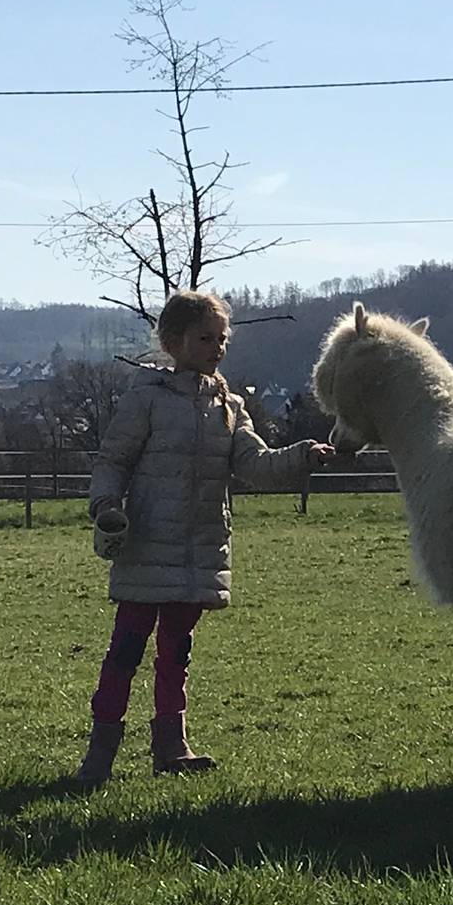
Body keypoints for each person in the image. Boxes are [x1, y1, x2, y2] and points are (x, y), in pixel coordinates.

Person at [78, 290, 331, 784]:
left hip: (199, 553)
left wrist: (303, 455)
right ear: (174, 341)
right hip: (147, 548)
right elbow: (114, 460)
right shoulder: (146, 399)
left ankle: (172, 745)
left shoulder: (229, 407)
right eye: (205, 338)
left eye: (222, 339)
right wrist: (106, 505)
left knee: (177, 651)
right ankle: (100, 751)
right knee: (126, 651)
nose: (217, 348)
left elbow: (256, 466)